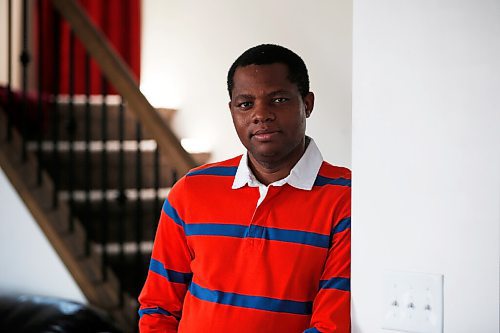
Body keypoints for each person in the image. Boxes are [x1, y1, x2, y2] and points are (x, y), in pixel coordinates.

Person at [138, 44, 351, 333]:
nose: (260, 115)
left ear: (307, 104)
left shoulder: (347, 197)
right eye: (245, 104)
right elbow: (158, 306)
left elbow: (331, 325)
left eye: (278, 99)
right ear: (232, 111)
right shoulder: (190, 190)